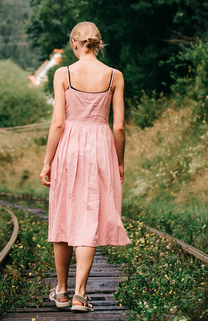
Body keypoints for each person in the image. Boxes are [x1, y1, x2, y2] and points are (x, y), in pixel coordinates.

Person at [40, 21, 129, 313]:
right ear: (99, 44)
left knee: (64, 214)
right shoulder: (114, 76)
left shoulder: (63, 74)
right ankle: (80, 295)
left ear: (73, 43)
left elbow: (58, 122)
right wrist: (120, 161)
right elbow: (119, 126)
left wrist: (47, 161)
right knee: (88, 218)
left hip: (69, 147)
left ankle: (62, 291)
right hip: (100, 148)